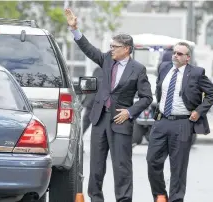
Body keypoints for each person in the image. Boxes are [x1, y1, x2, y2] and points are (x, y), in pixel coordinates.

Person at [65, 8, 153, 202]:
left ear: (126, 49)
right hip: (99, 119)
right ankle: (96, 198)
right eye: (111, 46)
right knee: (96, 166)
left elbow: (147, 98)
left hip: (121, 122)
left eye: (115, 46)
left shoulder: (138, 70)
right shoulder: (105, 59)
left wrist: (130, 112)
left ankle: (123, 199)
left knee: (122, 167)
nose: (111, 49)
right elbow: (89, 49)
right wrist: (74, 30)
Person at [146, 42, 213, 202]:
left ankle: (176, 199)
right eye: (174, 52)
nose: (175, 55)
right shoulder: (163, 68)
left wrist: (199, 111)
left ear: (187, 58)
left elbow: (211, 93)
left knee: (178, 167)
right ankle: (160, 197)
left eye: (180, 54)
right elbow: (159, 89)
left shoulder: (196, 73)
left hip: (183, 123)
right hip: (161, 121)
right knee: (152, 161)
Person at [82, 66, 103, 135]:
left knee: (85, 124)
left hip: (94, 103)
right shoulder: (99, 70)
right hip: (95, 103)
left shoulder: (97, 69)